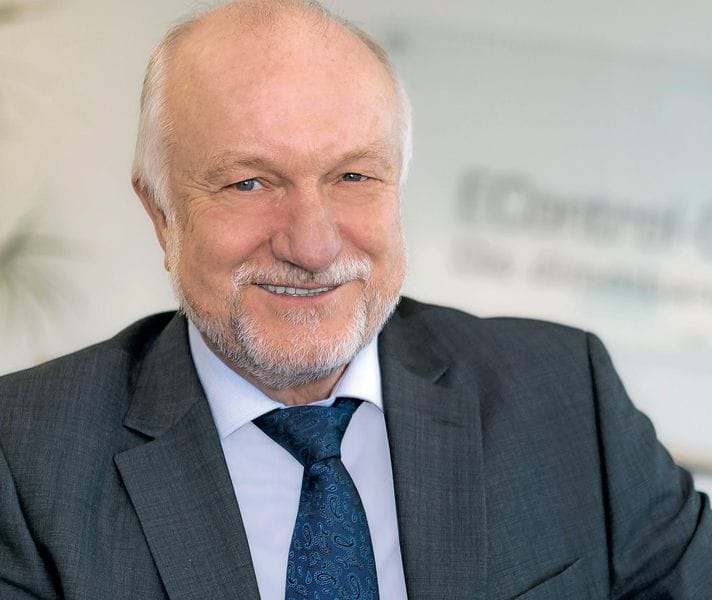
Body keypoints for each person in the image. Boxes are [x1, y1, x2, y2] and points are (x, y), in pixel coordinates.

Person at [0, 1, 710, 598]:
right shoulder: (26, 461)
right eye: (250, 183)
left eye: (353, 177)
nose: (312, 246)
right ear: (161, 213)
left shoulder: (564, 395)